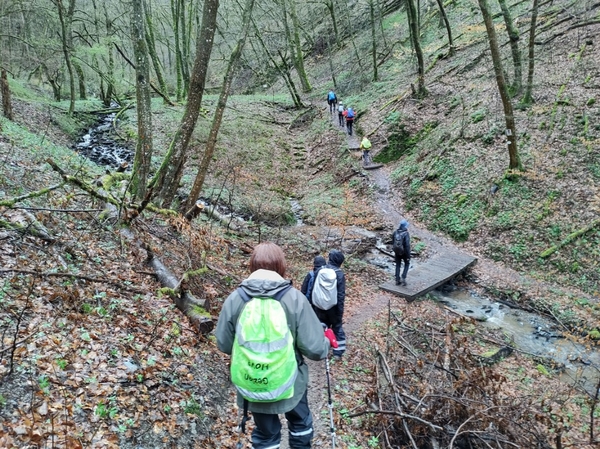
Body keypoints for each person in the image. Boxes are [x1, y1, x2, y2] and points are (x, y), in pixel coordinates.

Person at [216, 242, 334, 449]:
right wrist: (326, 341)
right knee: (300, 424)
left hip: (253, 381)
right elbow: (315, 349)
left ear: (252, 265)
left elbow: (224, 344)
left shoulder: (236, 299)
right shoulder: (294, 299)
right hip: (291, 382)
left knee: (265, 435)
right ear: (281, 266)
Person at [312, 250, 347, 358]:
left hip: (319, 306)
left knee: (321, 326)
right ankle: (338, 352)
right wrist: (340, 312)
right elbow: (340, 296)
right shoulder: (339, 274)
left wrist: (314, 305)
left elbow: (314, 288)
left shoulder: (319, 271)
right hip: (333, 307)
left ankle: (321, 348)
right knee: (337, 327)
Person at [392, 220, 411, 286]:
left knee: (398, 265)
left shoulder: (395, 232)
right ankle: (403, 277)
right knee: (407, 264)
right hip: (404, 253)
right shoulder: (406, 234)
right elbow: (407, 245)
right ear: (405, 226)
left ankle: (397, 280)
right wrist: (408, 255)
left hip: (397, 252)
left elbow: (393, 242)